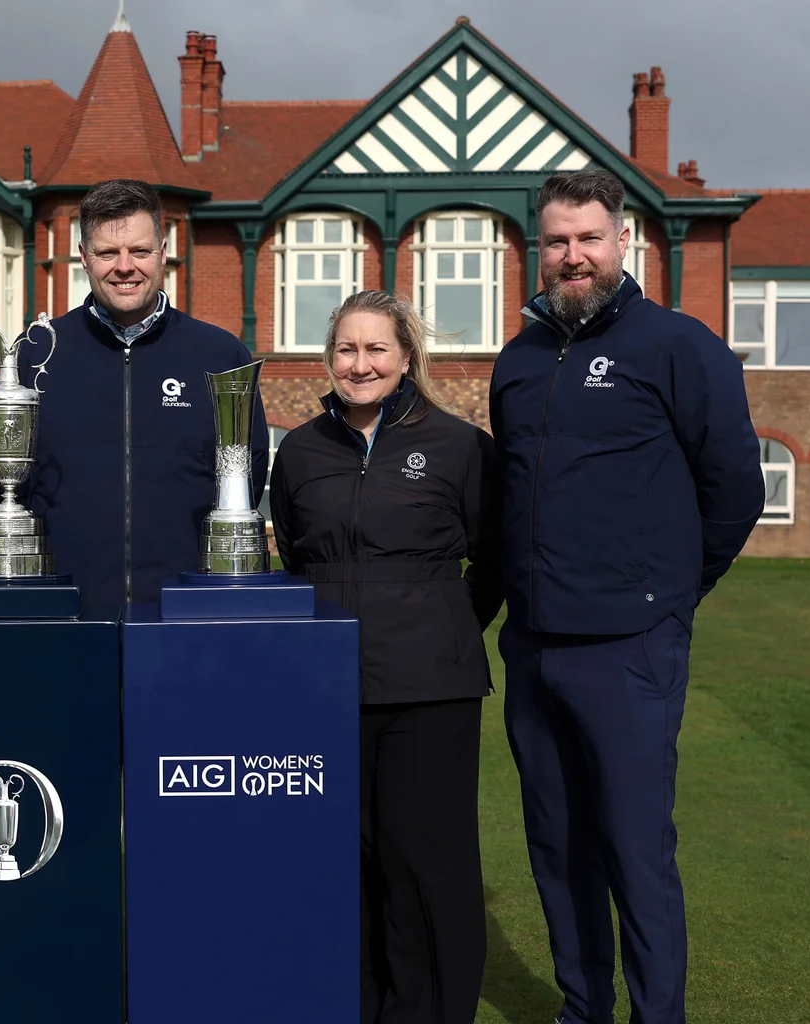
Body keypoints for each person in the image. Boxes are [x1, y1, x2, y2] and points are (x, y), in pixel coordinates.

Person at [489, 169, 763, 1024]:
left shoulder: (678, 346)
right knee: (557, 848)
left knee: (635, 850)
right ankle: (584, 1010)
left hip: (630, 645)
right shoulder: (520, 359)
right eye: (558, 241)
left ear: (623, 244)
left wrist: (671, 595)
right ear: (542, 251)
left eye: (589, 238)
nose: (574, 256)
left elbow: (735, 491)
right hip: (534, 645)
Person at [269, 290, 502, 1024]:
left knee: (426, 863)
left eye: (375, 349)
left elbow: (492, 560)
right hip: (329, 684)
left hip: (431, 686)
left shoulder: (460, 446)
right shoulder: (301, 451)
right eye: (346, 349)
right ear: (327, 358)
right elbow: (295, 557)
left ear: (406, 358)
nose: (360, 364)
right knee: (349, 858)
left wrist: (444, 624)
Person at [21, 178, 269, 620]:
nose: (124, 266)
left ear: (162, 251)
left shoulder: (219, 355)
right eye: (107, 253)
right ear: (82, 256)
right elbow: (17, 490)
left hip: (188, 615)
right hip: (67, 617)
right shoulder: (37, 353)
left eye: (139, 251)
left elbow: (246, 475)